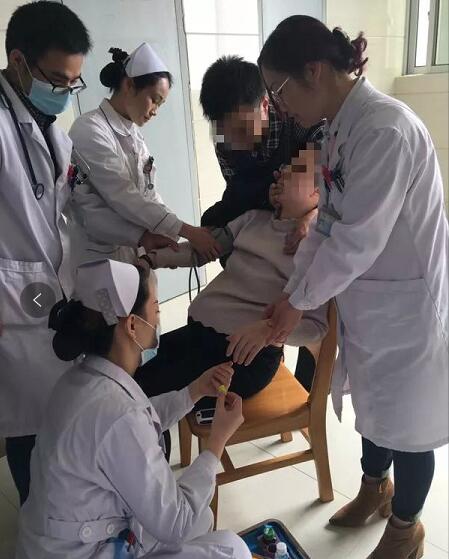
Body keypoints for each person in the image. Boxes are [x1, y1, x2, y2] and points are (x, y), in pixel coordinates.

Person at [257, 15, 448, 559]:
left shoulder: (386, 131)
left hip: (407, 308)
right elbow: (326, 225)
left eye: (278, 91)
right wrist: (294, 293)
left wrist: (298, 302)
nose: (277, 106)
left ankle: (406, 527)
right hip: (369, 299)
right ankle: (374, 488)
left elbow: (356, 240)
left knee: (408, 422)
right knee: (372, 404)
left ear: (313, 71)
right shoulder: (338, 128)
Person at [16, 259, 252, 559]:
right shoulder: (117, 412)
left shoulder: (79, 379)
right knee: (233, 548)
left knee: (202, 517)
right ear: (131, 325)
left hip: (61, 538)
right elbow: (176, 524)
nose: (158, 318)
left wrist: (193, 391)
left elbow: (136, 422)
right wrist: (216, 442)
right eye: (156, 309)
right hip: (84, 551)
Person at [134, 148, 327, 404]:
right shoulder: (252, 219)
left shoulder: (316, 249)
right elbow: (201, 250)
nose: (282, 172)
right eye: (285, 167)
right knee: (129, 369)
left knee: (139, 393)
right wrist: (151, 260)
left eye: (296, 170)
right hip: (199, 335)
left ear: (318, 193)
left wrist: (270, 332)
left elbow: (316, 328)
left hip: (242, 358)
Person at [0, 1, 91, 505]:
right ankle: (40, 524)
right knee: (27, 426)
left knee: (56, 419)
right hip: (11, 306)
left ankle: (61, 516)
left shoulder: (48, 124)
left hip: (47, 294)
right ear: (18, 61)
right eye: (56, 80)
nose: (63, 92)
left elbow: (64, 207)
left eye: (73, 83)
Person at [199, 54, 324, 389]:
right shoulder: (227, 141)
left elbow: (334, 188)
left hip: (309, 218)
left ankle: (306, 384)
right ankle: (263, 349)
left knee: (307, 295)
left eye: (243, 129)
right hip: (267, 213)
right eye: (228, 133)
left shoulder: (303, 121)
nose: (237, 141)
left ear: (266, 105)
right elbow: (239, 195)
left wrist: (312, 215)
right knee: (223, 233)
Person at [69, 43, 219, 270]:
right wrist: (187, 230)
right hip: (99, 255)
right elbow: (124, 196)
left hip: (137, 249)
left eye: (161, 104)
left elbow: (148, 194)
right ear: (129, 85)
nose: (155, 111)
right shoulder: (89, 130)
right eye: (154, 99)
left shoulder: (134, 135)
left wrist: (171, 236)